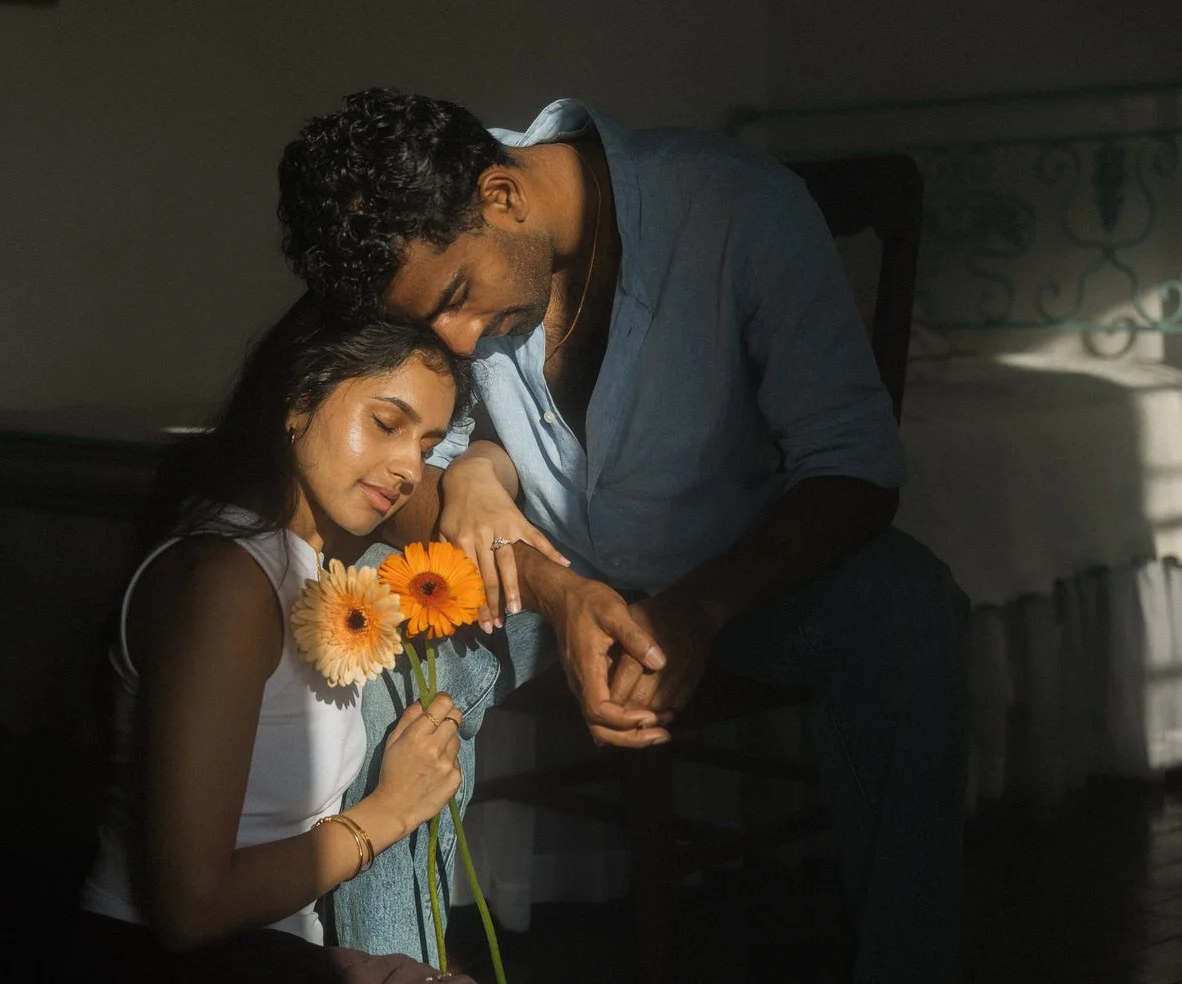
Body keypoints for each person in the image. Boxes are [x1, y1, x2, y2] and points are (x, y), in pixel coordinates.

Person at [277, 89, 971, 983]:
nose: (452, 337)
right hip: (537, 580)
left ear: (504, 197)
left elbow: (858, 473)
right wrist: (530, 550)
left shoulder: (739, 208)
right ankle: (388, 974)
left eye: (457, 295)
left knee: (911, 605)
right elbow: (405, 477)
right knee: (377, 615)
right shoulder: (434, 246)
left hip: (740, 576)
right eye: (427, 323)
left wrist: (696, 611)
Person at [74, 292, 481, 983]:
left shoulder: (300, 567)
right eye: (386, 423)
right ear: (297, 403)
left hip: (269, 949)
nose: (409, 468)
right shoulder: (227, 580)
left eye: (427, 446)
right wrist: (389, 811)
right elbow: (189, 910)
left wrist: (480, 477)